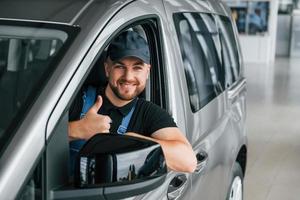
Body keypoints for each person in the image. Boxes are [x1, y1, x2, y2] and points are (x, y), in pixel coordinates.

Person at [68, 31, 197, 173]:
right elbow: (39, 137)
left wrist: (131, 141)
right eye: (120, 66)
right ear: (107, 69)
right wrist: (79, 129)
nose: (128, 77)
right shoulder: (77, 98)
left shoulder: (148, 113)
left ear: (147, 72)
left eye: (137, 68)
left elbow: (188, 162)